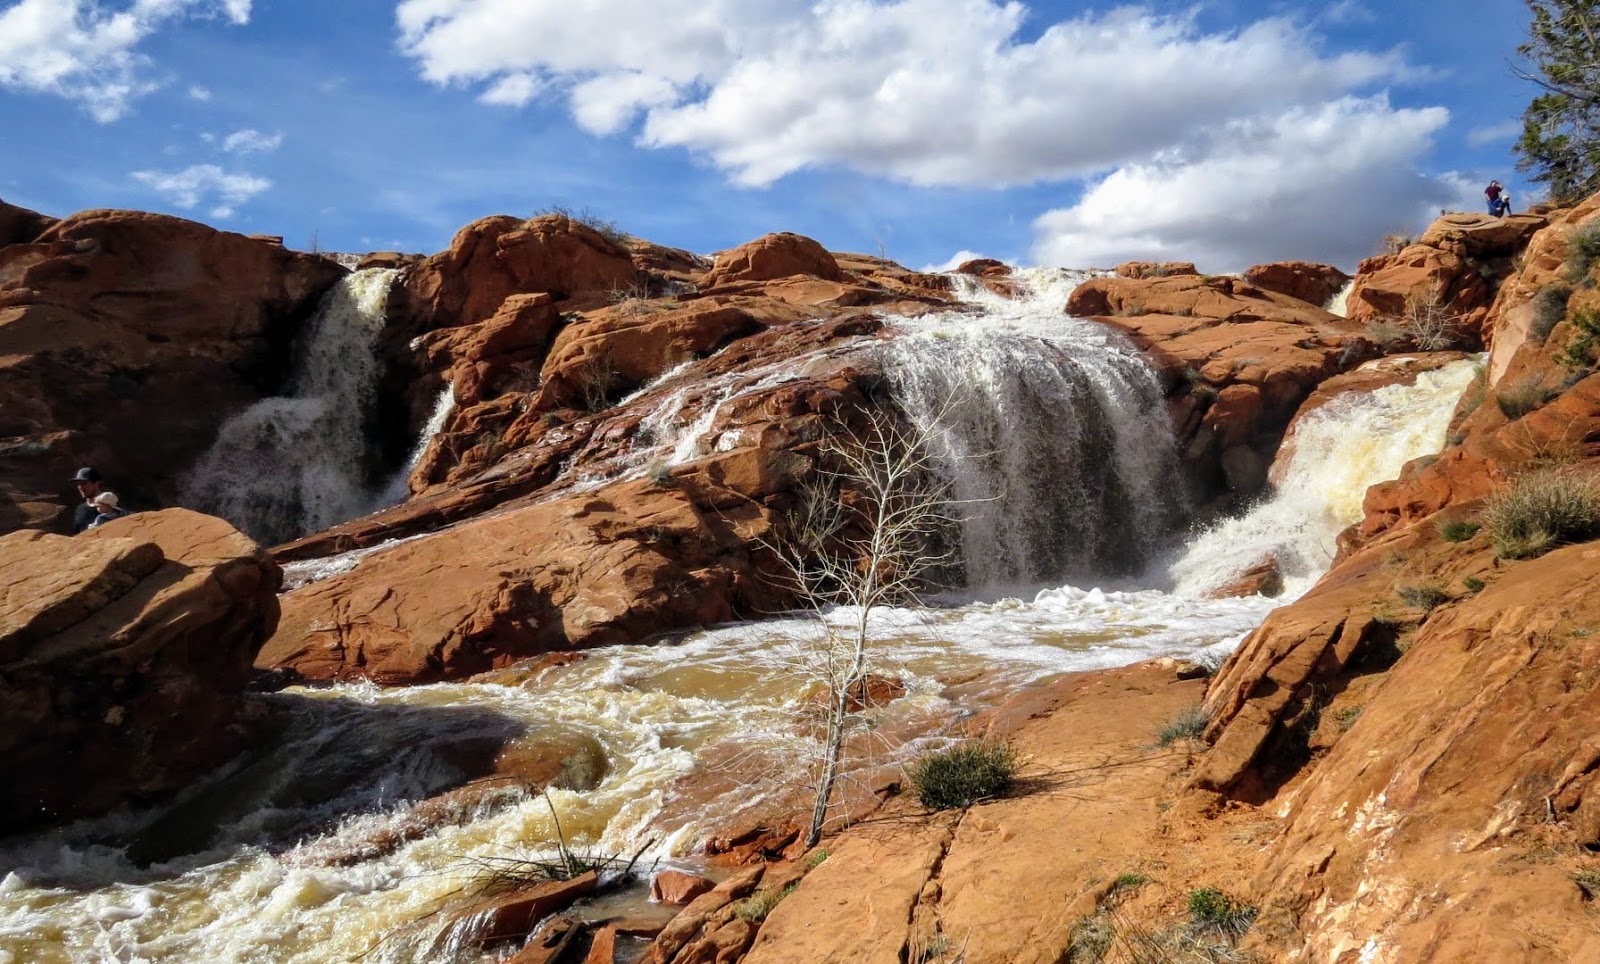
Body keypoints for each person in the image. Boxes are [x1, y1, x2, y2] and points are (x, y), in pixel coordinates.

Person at [69, 466, 104, 534]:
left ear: (96, 484)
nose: (80, 487)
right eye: (78, 484)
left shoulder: (111, 504)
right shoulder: (80, 509)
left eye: (84, 483)